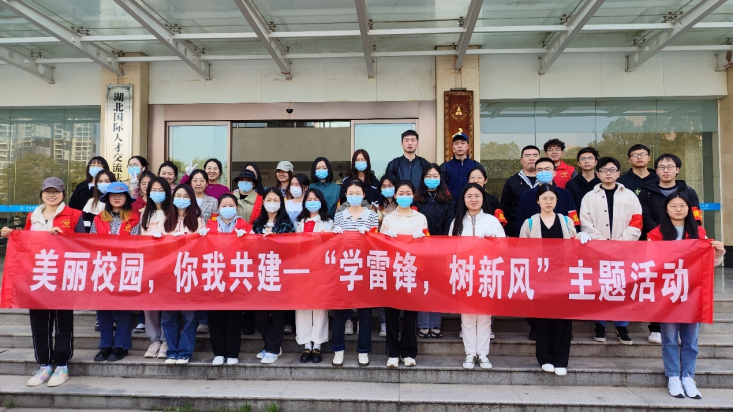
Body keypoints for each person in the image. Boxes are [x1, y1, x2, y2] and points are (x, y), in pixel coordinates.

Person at [1, 177, 84, 387]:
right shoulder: (33, 216)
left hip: (63, 276)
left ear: (63, 194)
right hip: (38, 275)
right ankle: (44, 365)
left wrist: (63, 237)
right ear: (41, 194)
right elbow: (27, 243)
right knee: (39, 321)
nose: (51, 195)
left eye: (56, 191)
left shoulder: (74, 215)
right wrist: (12, 235)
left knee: (63, 322)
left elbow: (83, 244)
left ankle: (62, 365)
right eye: (47, 191)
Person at [647, 193, 726, 399]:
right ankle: (673, 376)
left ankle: (688, 377)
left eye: (682, 206)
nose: (678, 209)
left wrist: (718, 253)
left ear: (689, 209)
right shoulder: (656, 233)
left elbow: (706, 262)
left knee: (690, 339)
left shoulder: (698, 232)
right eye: (673, 206)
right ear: (666, 209)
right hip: (668, 293)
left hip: (692, 292)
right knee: (669, 338)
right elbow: (650, 262)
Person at [578, 157, 642, 345]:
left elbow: (637, 222)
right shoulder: (589, 197)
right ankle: (600, 325)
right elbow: (585, 223)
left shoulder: (630, 196)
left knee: (622, 288)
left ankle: (622, 326)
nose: (608, 173)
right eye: (604, 170)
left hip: (624, 251)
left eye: (612, 170)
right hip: (597, 251)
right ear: (598, 174)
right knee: (600, 287)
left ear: (618, 173)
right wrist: (603, 244)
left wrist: (620, 243)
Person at [519, 184, 580, 376]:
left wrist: (582, 238)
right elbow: (521, 252)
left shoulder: (566, 221)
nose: (548, 201)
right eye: (544, 198)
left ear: (557, 201)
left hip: (563, 277)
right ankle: (545, 358)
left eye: (552, 198)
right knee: (543, 319)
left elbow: (575, 245)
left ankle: (561, 360)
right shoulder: (530, 223)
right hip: (539, 278)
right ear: (538, 201)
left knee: (563, 320)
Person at [449, 183, 505, 370]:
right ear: (463, 200)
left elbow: (504, 246)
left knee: (484, 317)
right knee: (467, 317)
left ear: (483, 199)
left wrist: (493, 240)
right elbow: (450, 249)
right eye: (469, 196)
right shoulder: (457, 222)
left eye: (477, 196)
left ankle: (483, 354)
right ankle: (469, 354)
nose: (473, 199)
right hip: (464, 272)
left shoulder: (492, 221)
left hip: (486, 273)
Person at [380, 180, 429, 368]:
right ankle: (392, 353)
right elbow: (379, 245)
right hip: (392, 270)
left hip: (412, 270)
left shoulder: (420, 218)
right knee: (391, 314)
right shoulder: (388, 218)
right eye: (401, 193)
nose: (404, 196)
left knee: (410, 314)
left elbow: (427, 243)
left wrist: (423, 238)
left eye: (408, 193)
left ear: (413, 195)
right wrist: (385, 237)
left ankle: (408, 352)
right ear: (395, 195)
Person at [90, 182, 140, 363]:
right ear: (108, 199)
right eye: (112, 195)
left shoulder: (135, 219)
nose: (116, 198)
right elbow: (92, 242)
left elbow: (135, 243)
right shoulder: (98, 219)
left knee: (122, 309)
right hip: (103, 266)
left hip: (124, 267)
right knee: (103, 308)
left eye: (120, 195)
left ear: (127, 198)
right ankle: (105, 345)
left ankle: (121, 345)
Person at [331, 179, 379, 367]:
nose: (354, 196)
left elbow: (376, 240)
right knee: (340, 309)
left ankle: (364, 350)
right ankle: (338, 349)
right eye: (350, 193)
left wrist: (369, 234)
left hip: (365, 267)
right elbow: (336, 243)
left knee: (365, 311)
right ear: (346, 195)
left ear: (364, 195)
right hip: (344, 267)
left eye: (358, 193)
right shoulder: (340, 215)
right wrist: (335, 233)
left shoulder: (371, 215)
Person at [201, 193, 251, 366]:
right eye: (224, 206)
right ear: (219, 208)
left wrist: (247, 238)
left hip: (235, 275)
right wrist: (201, 237)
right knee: (215, 316)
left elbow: (254, 248)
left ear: (236, 208)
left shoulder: (244, 225)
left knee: (233, 317)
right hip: (215, 274)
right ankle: (218, 352)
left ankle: (232, 352)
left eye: (231, 205)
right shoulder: (210, 224)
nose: (227, 208)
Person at [161, 184, 206, 365]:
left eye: (185, 196)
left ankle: (185, 352)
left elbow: (202, 247)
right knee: (168, 316)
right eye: (178, 195)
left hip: (189, 273)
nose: (181, 199)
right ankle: (172, 351)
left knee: (190, 316)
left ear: (191, 199)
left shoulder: (198, 221)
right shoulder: (165, 220)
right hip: (167, 274)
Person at [251, 187, 295, 364]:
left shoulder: (286, 222)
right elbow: (250, 247)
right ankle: (269, 344)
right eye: (268, 200)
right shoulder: (257, 223)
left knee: (278, 313)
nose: (272, 203)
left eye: (275, 200)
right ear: (263, 202)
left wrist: (275, 239)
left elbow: (291, 247)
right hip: (260, 273)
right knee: (259, 315)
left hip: (279, 272)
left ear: (281, 203)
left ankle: (273, 348)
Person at [414, 163, 456, 339]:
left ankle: (436, 324)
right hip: (420, 250)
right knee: (422, 287)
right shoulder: (416, 200)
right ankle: (423, 324)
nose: (432, 179)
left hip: (440, 250)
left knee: (437, 288)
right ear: (423, 179)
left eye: (435, 176)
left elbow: (449, 224)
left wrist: (441, 246)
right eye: (428, 176)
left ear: (441, 179)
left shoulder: (448, 200)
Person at [140, 177, 178, 359]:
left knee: (166, 303)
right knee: (149, 305)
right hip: (148, 264)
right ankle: (154, 339)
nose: (157, 194)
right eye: (153, 190)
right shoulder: (144, 214)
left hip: (168, 264)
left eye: (161, 190)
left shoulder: (173, 212)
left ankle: (165, 340)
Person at [294, 188, 334, 364]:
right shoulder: (298, 222)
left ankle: (317, 343)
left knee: (319, 307)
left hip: (320, 269)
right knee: (302, 306)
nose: (312, 202)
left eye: (315, 199)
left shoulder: (328, 222)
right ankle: (306, 344)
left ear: (321, 201)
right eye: (309, 199)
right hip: (301, 269)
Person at [640, 153, 702, 239]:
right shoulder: (647, 192)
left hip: (685, 238)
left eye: (670, 167)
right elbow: (645, 217)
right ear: (656, 171)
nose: (666, 170)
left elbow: (696, 216)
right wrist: (659, 233)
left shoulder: (689, 191)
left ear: (677, 169)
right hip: (656, 238)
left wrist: (688, 234)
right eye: (661, 167)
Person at [515, 157, 579, 238]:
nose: (544, 172)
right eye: (540, 170)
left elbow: (573, 217)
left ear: (554, 173)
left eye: (547, 169)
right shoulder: (526, 196)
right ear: (535, 173)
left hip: (562, 238)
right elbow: (520, 222)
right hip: (535, 240)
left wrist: (577, 235)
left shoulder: (565, 194)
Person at [500, 145, 540, 237]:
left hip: (542, 228)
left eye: (535, 155)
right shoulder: (512, 181)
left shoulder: (546, 180)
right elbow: (505, 207)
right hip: (517, 229)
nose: (531, 158)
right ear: (521, 160)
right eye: (527, 155)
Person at [440, 131, 484, 201]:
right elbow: (441, 188)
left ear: (468, 146)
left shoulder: (476, 165)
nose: (459, 146)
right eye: (456, 143)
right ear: (452, 147)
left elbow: (481, 186)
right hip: (451, 205)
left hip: (472, 203)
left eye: (463, 143)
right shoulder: (444, 167)